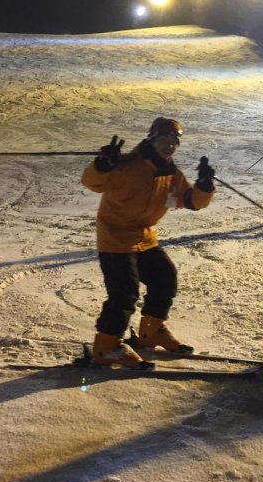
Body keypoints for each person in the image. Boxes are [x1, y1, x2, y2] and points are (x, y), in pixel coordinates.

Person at [81, 117, 216, 368]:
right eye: (165, 140)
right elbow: (92, 183)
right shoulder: (125, 165)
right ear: (152, 139)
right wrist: (102, 165)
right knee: (124, 294)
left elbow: (190, 201)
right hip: (115, 238)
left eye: (174, 142)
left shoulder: (171, 174)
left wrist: (204, 186)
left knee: (165, 278)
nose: (170, 146)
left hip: (144, 238)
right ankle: (106, 347)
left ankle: (151, 333)